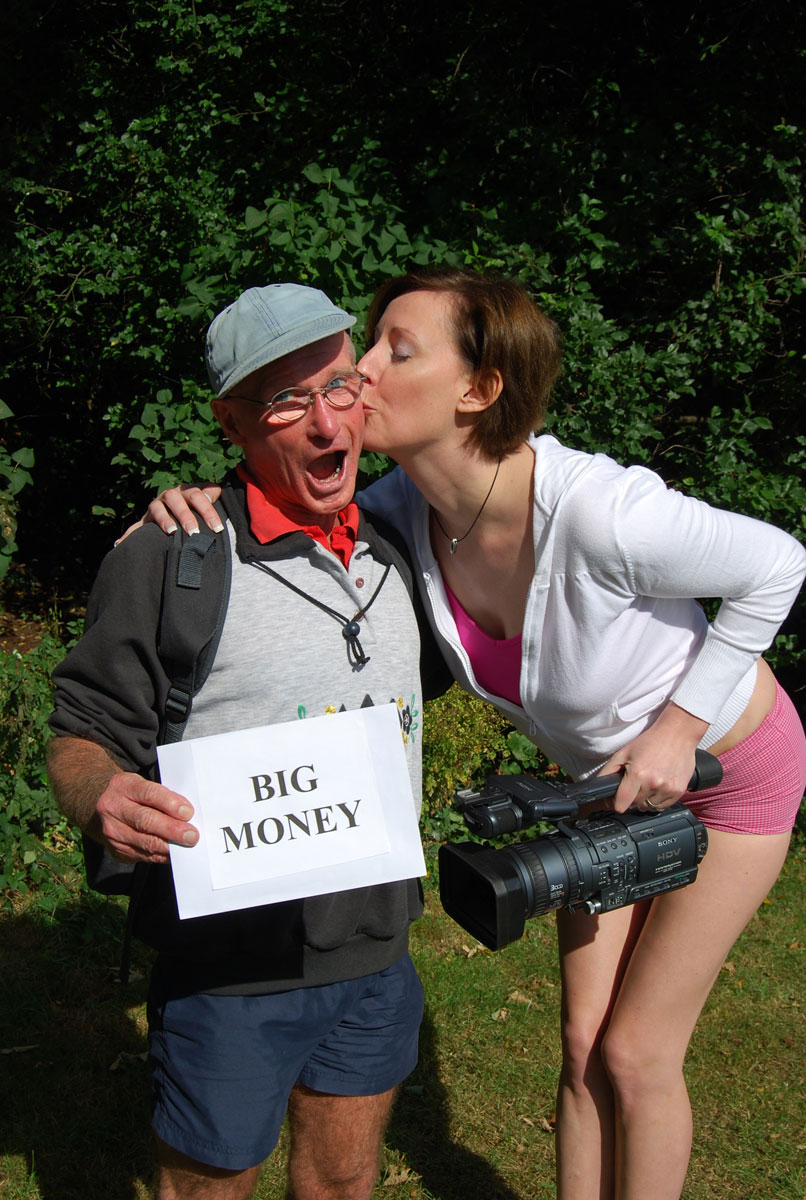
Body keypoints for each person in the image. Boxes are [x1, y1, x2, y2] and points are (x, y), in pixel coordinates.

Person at [148, 268, 806, 1200]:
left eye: (396, 352)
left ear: (479, 388)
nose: (361, 373)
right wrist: (188, 513)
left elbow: (778, 564)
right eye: (371, 344)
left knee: (635, 1052)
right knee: (581, 1044)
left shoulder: (599, 513)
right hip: (603, 789)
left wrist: (677, 727)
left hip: (727, 771)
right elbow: (271, 508)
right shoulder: (397, 514)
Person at [48, 283, 449, 1200]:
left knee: (343, 1181)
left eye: (338, 387)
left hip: (377, 950)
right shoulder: (171, 557)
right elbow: (80, 732)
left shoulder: (402, 548)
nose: (325, 423)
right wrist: (103, 794)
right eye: (285, 401)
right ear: (231, 422)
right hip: (229, 969)